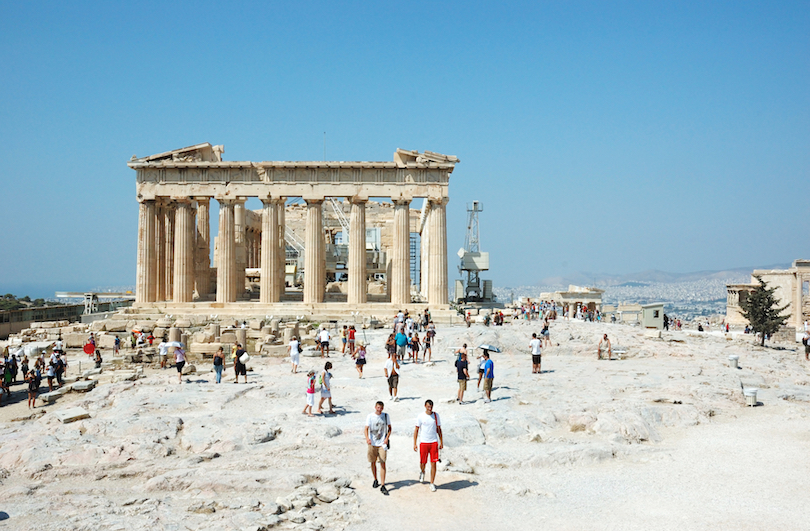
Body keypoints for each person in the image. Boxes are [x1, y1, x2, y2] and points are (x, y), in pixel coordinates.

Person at [413, 399, 443, 492]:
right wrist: (414, 443)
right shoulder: (421, 416)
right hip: (424, 442)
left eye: (431, 407)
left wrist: (441, 441)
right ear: (425, 406)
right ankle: (422, 471)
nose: (430, 408)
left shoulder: (436, 416)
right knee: (423, 462)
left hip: (433, 442)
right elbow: (416, 430)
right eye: (428, 406)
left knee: (433, 463)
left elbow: (439, 429)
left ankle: (432, 483)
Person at [365, 401, 392, 496]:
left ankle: (383, 484)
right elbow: (366, 428)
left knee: (383, 463)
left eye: (380, 408)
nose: (379, 409)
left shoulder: (385, 416)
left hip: (382, 444)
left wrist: (386, 439)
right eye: (378, 407)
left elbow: (390, 428)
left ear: (382, 408)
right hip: (372, 443)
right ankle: (375, 479)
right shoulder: (370, 416)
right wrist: (367, 438)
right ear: (375, 407)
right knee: (372, 462)